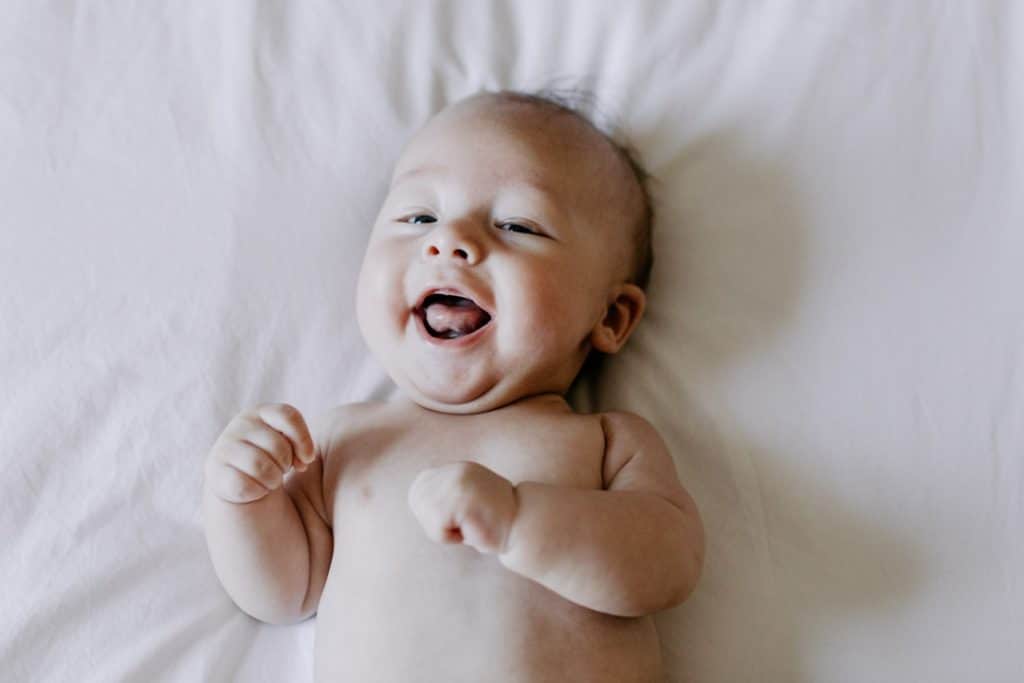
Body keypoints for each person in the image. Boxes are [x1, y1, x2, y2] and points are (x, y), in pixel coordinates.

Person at [202, 89, 705, 682]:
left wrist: (522, 521)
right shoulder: (344, 440)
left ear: (610, 317)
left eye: (518, 225)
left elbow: (667, 566)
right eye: (419, 217)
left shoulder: (606, 442)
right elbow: (283, 592)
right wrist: (240, 499)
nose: (449, 241)